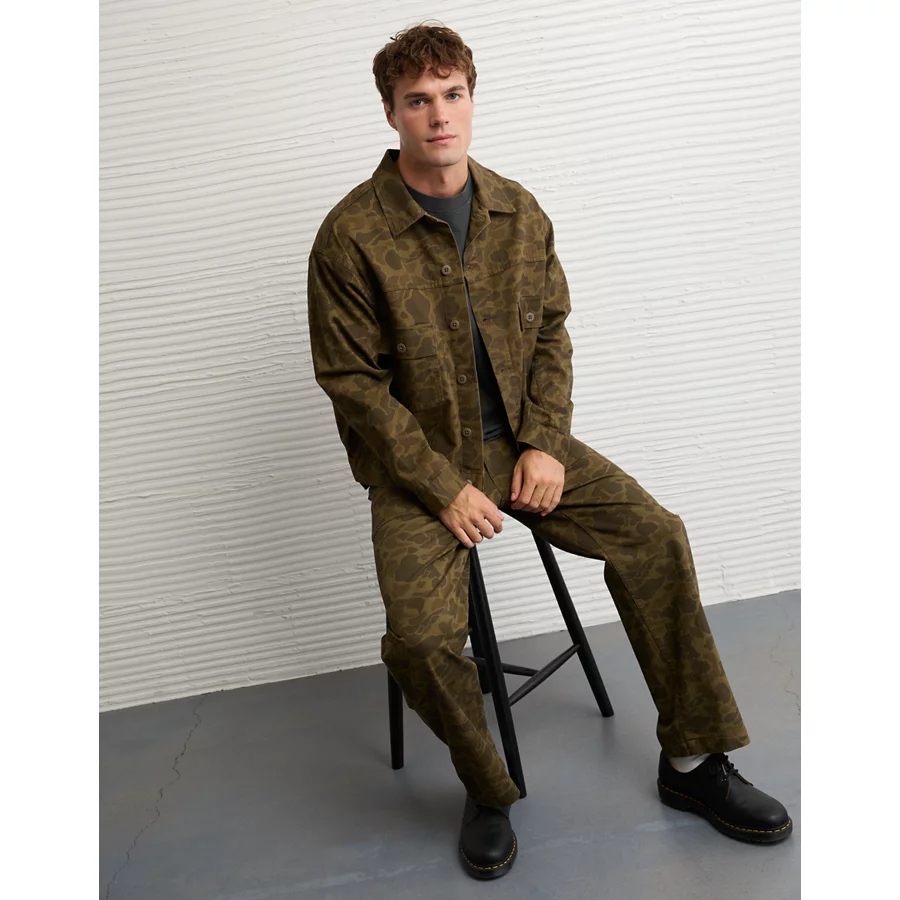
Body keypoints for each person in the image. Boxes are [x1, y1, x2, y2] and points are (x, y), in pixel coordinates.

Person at [306, 22, 792, 880]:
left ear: (471, 99)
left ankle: (692, 761)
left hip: (524, 448)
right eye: (418, 100)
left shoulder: (517, 210)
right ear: (391, 113)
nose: (439, 115)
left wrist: (545, 441)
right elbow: (353, 383)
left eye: (453, 94)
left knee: (657, 536)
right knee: (419, 641)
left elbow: (551, 335)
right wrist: (440, 485)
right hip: (422, 471)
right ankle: (487, 787)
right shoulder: (351, 236)